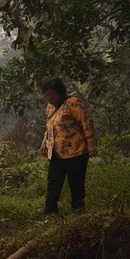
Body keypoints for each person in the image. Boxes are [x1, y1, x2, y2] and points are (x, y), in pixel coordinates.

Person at [39, 78, 96, 214]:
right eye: (47, 94)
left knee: (76, 181)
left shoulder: (74, 104)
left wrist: (91, 144)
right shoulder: (50, 107)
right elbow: (50, 125)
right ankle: (50, 208)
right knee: (53, 181)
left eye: (52, 94)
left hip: (76, 151)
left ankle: (78, 208)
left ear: (60, 92)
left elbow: (87, 123)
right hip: (56, 151)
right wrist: (44, 141)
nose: (50, 97)